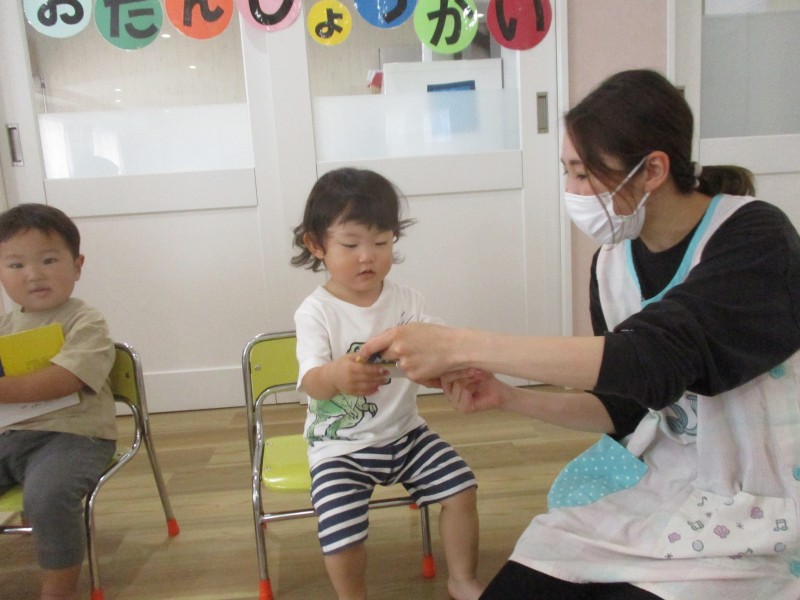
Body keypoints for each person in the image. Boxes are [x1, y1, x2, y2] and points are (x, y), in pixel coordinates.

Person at [359, 69, 800, 600]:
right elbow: (626, 408)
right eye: (566, 171)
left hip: (763, 501)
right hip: (668, 485)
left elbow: (655, 357)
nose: (572, 191)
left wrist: (459, 343)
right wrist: (507, 396)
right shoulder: (611, 267)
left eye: (585, 174)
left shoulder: (757, 237)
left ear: (653, 169)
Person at [291, 167, 485, 600]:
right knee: (341, 531)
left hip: (406, 434)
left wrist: (454, 369)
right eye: (351, 244)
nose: (368, 256)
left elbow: (435, 352)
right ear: (315, 244)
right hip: (340, 448)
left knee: (462, 488)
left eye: (381, 243)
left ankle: (462, 579)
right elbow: (311, 382)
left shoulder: (406, 302)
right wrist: (337, 375)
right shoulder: (316, 312)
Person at [0, 204, 117, 600]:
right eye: (16, 265)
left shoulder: (85, 322)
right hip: (10, 436)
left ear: (77, 265)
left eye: (48, 260)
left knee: (48, 496)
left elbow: (63, 379)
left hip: (74, 437)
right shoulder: (4, 327)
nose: (33, 274)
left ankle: (58, 591)